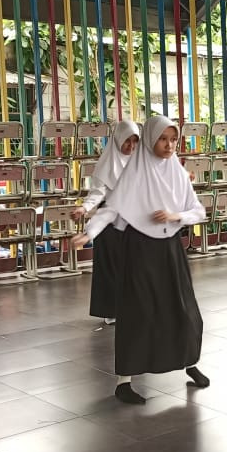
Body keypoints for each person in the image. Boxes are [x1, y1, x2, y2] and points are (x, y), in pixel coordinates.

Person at [72, 116, 208, 404]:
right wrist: (89, 232)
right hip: (140, 250)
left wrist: (176, 216)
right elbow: (112, 208)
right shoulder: (135, 173)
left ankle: (190, 362)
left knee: (184, 309)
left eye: (173, 139)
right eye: (163, 139)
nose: (169, 145)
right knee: (138, 312)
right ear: (151, 140)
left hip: (170, 249)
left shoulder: (177, 172)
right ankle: (124, 381)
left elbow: (198, 211)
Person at [74, 120, 139, 327]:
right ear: (118, 140)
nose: (130, 146)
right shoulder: (107, 163)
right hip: (110, 222)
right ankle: (111, 309)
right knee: (112, 268)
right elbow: (98, 192)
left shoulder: (139, 162)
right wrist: (85, 208)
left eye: (134, 141)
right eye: (127, 141)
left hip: (133, 220)